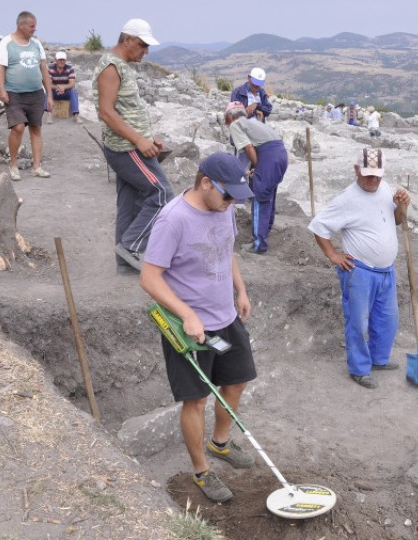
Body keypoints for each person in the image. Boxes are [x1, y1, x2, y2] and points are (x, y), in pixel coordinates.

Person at [139, 152, 257, 503]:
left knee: (237, 381)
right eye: (228, 194)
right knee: (197, 400)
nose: (233, 202)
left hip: (226, 317)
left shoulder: (225, 207)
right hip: (189, 329)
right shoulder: (173, 220)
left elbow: (227, 250)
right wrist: (186, 313)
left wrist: (241, 290)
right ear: (205, 183)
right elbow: (149, 277)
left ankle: (220, 443)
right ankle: (202, 470)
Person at [309, 148, 410, 389]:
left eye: (377, 175)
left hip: (386, 271)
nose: (373, 180)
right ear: (356, 171)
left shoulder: (385, 189)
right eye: (368, 175)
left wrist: (402, 207)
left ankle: (379, 359)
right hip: (360, 271)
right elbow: (318, 226)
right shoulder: (347, 199)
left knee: (387, 319)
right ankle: (359, 369)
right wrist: (332, 254)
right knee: (358, 321)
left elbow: (396, 220)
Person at [94, 18, 174, 273]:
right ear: (126, 39)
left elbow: (127, 110)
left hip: (133, 145)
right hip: (126, 148)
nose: (146, 51)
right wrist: (139, 140)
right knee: (162, 194)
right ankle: (131, 246)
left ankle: (125, 265)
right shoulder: (110, 68)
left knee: (128, 203)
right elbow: (107, 113)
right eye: (142, 45)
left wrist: (148, 137)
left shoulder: (122, 66)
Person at [223, 102, 288, 254]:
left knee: (259, 196)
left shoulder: (236, 124)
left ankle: (259, 244)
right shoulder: (252, 123)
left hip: (268, 158)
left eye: (226, 120)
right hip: (281, 155)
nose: (227, 124)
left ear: (230, 117)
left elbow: (248, 148)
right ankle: (265, 232)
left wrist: (256, 167)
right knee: (269, 195)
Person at [0, 11, 53, 181]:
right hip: (14, 94)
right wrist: (1, 89)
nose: (34, 29)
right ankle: (13, 164)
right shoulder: (6, 43)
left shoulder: (36, 44)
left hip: (36, 93)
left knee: (36, 128)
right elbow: (0, 68)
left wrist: (49, 94)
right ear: (21, 25)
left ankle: (37, 166)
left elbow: (43, 69)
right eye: (32, 26)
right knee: (18, 127)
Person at [47, 51, 81, 124]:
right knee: (47, 92)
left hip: (66, 92)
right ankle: (49, 114)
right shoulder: (50, 68)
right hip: (55, 91)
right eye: (60, 60)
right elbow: (48, 84)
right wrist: (57, 88)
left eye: (63, 60)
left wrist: (64, 87)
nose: (62, 61)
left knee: (73, 91)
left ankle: (76, 114)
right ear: (56, 60)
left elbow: (72, 83)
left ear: (65, 60)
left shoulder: (69, 68)